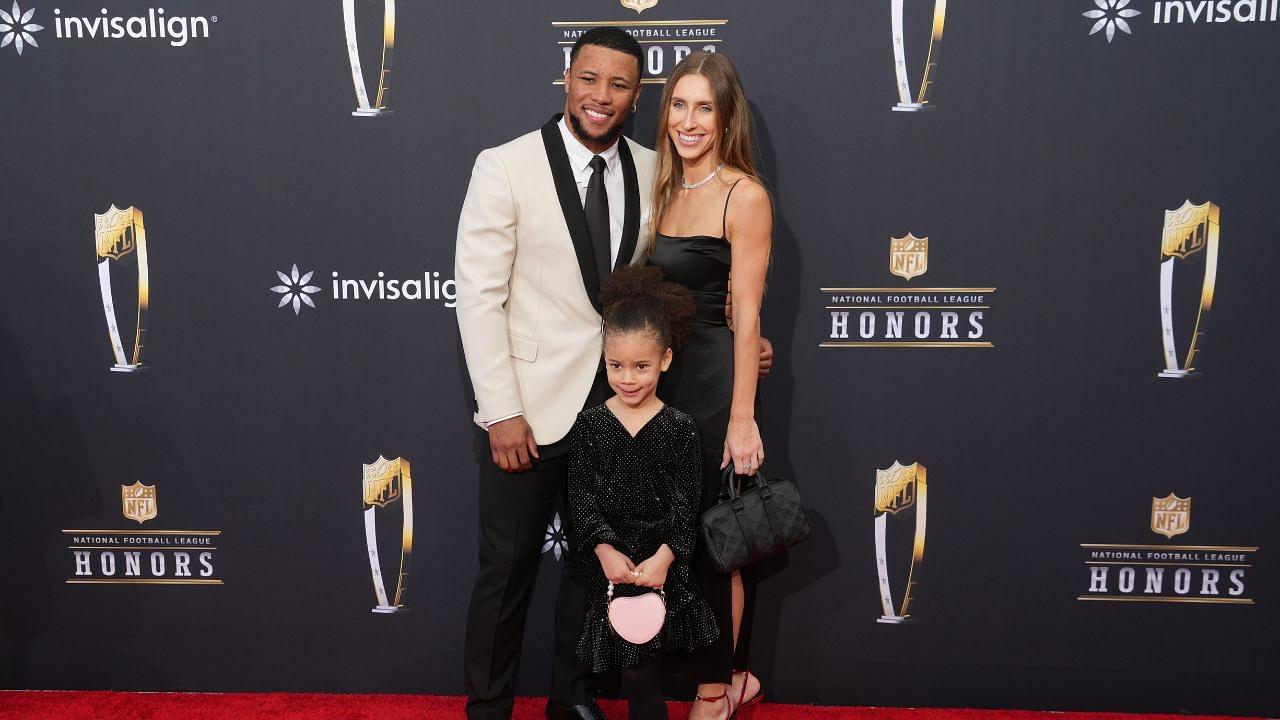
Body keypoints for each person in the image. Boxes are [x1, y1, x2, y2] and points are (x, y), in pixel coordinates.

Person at [454, 28, 773, 720]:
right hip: (530, 413)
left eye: (621, 85)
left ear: (635, 98)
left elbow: (679, 284)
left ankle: (573, 702)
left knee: (586, 569)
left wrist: (741, 340)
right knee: (505, 573)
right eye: (590, 79)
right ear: (567, 79)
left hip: (621, 412)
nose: (603, 96)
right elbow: (477, 298)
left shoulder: (653, 167)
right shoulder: (504, 167)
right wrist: (499, 409)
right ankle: (487, 709)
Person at [646, 51, 772, 719]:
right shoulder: (662, 187)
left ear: (726, 120)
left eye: (704, 108)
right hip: (660, 388)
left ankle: (714, 693)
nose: (688, 121)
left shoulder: (741, 193)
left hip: (717, 386)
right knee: (676, 535)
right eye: (679, 104)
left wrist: (743, 416)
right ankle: (733, 677)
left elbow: (747, 312)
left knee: (714, 539)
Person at [568, 266, 719, 720]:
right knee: (635, 671)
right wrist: (604, 552)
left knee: (643, 671)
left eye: (641, 366)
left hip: (659, 567)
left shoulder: (678, 429)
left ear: (666, 360)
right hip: (612, 568)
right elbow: (581, 498)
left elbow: (687, 502)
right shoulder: (591, 425)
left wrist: (665, 558)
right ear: (604, 359)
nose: (628, 378)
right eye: (616, 365)